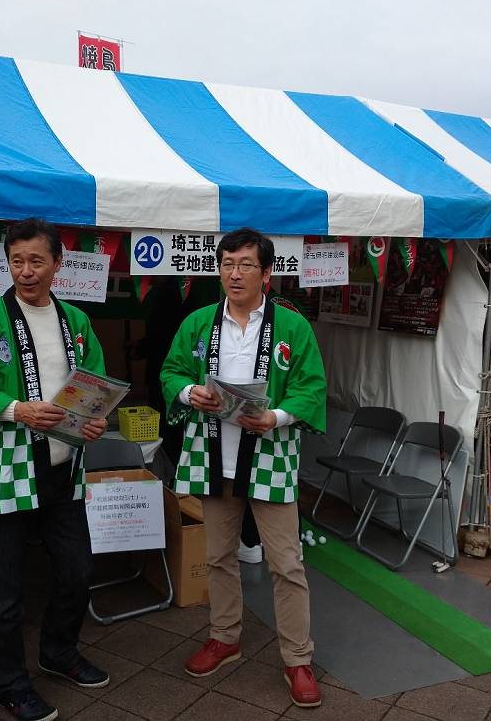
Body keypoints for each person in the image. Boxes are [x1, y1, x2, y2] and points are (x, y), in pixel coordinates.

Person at [0, 219, 110, 721]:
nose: (26, 271)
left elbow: (95, 383)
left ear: (58, 263)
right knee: (5, 586)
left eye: (37, 260)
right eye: (17, 261)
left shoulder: (75, 321)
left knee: (77, 571)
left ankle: (59, 652)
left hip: (63, 467)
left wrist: (96, 419)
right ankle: (8, 682)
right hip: (7, 471)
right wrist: (16, 409)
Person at [160, 228, 327, 709]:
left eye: (246, 264)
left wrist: (277, 416)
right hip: (213, 456)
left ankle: (298, 659)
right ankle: (224, 636)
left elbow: (312, 386)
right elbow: (171, 371)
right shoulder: (199, 322)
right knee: (218, 555)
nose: (235, 273)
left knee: (286, 563)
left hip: (270, 456)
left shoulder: (291, 326)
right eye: (227, 264)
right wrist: (189, 393)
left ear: (267, 273)